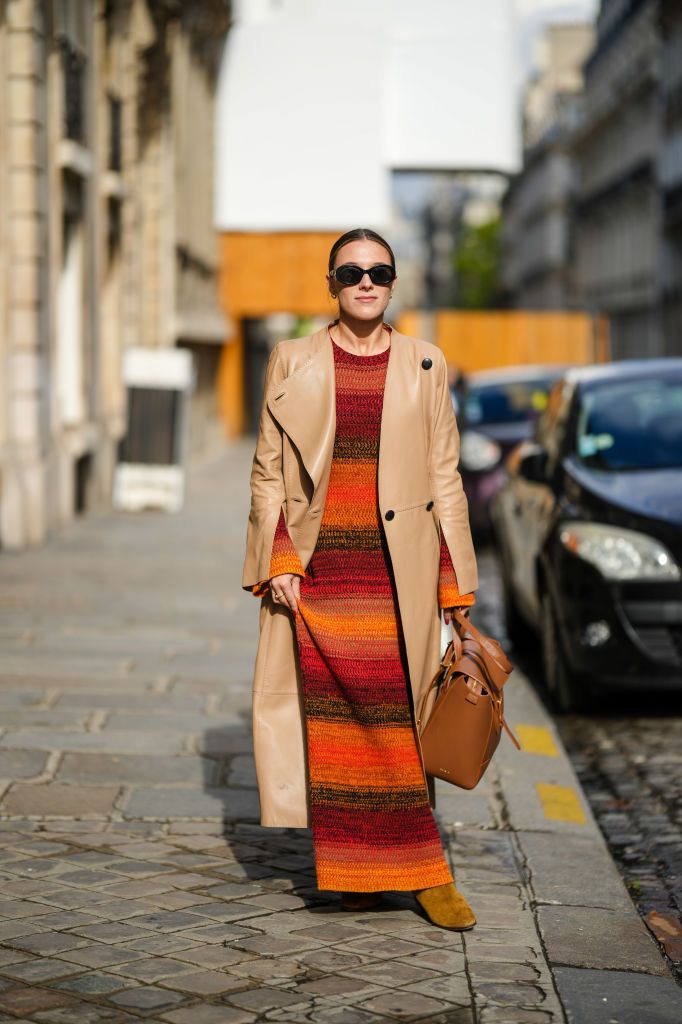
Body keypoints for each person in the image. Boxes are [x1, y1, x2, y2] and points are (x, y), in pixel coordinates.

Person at [242, 228, 479, 929]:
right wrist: (278, 560)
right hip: (320, 576)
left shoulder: (425, 363)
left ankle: (425, 874)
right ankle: (353, 870)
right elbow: (268, 473)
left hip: (396, 575)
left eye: (378, 271)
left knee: (398, 727)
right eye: (350, 272)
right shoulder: (292, 359)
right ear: (332, 285)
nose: (365, 282)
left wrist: (455, 581)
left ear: (394, 282)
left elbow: (445, 478)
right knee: (338, 731)